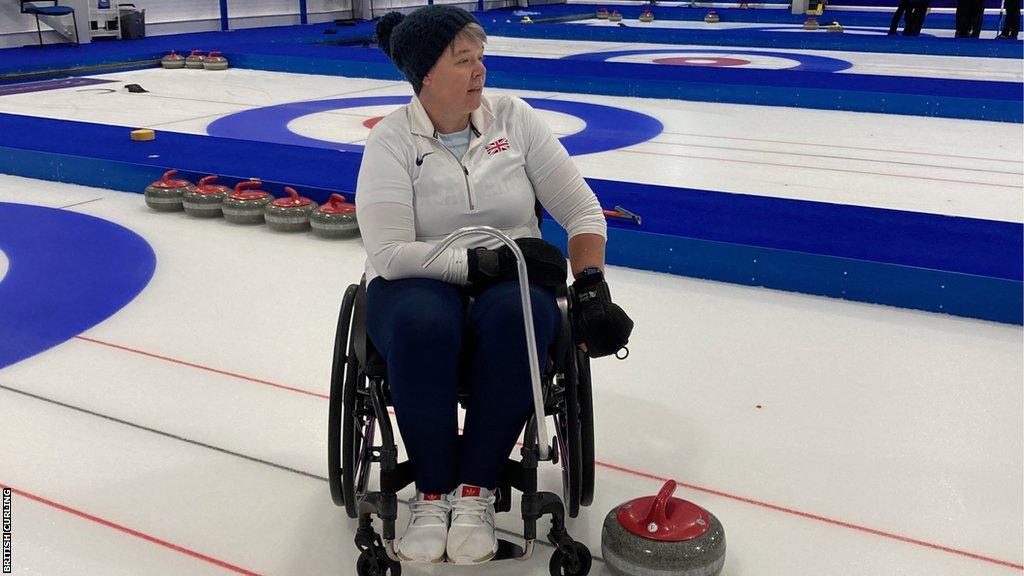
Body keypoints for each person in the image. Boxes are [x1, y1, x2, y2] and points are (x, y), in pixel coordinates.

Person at [355, 5, 634, 566]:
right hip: (416, 280)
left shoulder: (514, 119)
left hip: (513, 280)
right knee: (424, 323)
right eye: (463, 61)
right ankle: (433, 495)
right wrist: (476, 265)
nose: (480, 71)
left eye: (480, 57)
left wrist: (591, 288)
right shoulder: (390, 141)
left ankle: (477, 491)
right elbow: (388, 253)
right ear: (425, 74)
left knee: (523, 318)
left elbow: (582, 212)